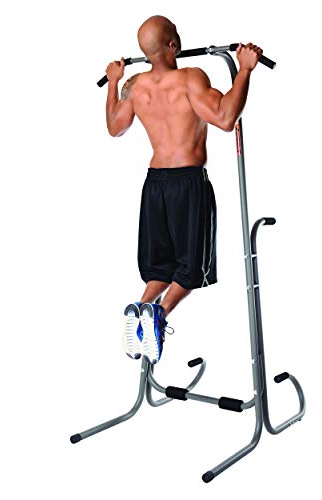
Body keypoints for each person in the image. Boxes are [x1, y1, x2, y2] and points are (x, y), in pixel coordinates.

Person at [105, 15, 263, 364]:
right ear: (173, 44)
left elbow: (115, 127)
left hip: (155, 184)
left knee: (160, 268)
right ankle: (158, 315)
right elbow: (225, 118)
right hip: (188, 183)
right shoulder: (191, 78)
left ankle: (141, 308)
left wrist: (113, 82)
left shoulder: (137, 86)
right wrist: (244, 70)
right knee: (192, 270)